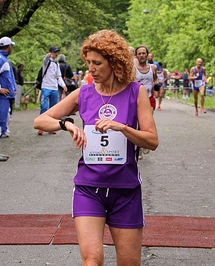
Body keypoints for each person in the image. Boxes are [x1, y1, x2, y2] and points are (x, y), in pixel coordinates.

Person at [33, 29, 159, 265]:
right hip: (89, 189)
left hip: (126, 190)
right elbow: (40, 121)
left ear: (114, 63)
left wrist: (122, 128)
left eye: (97, 63)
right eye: (88, 62)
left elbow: (152, 140)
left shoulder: (136, 92)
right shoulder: (84, 93)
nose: (90, 68)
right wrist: (67, 125)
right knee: (92, 259)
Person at [38, 46, 67, 135]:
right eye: (54, 52)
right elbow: (45, 60)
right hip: (46, 86)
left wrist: (63, 85)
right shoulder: (47, 62)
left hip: (54, 87)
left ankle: (50, 127)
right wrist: (48, 56)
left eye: (57, 52)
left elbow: (58, 76)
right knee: (44, 107)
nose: (56, 54)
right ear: (51, 53)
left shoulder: (56, 64)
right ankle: (41, 126)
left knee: (53, 108)